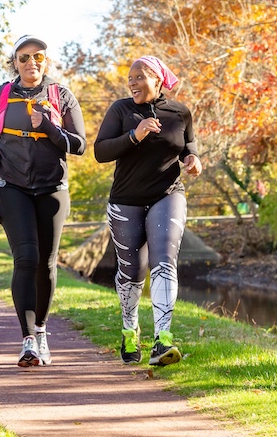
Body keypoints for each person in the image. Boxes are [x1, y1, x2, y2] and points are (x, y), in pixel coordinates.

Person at [0, 35, 86, 367]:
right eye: (23, 58)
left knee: (46, 263)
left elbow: (78, 145)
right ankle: (27, 341)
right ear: (15, 62)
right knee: (25, 258)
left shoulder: (61, 95)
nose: (31, 63)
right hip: (12, 186)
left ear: (46, 61)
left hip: (52, 188)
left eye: (37, 57)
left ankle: (41, 331)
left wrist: (49, 126)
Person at [94, 55, 202, 366]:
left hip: (167, 195)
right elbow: (101, 151)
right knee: (131, 273)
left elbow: (188, 145)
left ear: (158, 80)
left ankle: (162, 339)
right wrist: (135, 134)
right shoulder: (121, 110)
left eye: (140, 76)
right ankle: (130, 330)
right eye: (130, 78)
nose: (132, 82)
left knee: (164, 261)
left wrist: (192, 160)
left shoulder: (179, 112)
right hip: (126, 199)